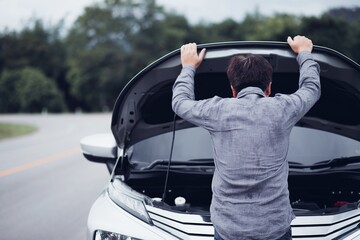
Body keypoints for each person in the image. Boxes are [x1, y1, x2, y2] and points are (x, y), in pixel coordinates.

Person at [172, 36, 321, 240]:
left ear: (233, 90)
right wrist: (304, 52)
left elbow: (179, 102)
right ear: (268, 88)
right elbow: (311, 88)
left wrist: (188, 67)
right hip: (275, 230)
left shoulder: (216, 111)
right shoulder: (283, 109)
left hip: (228, 231)